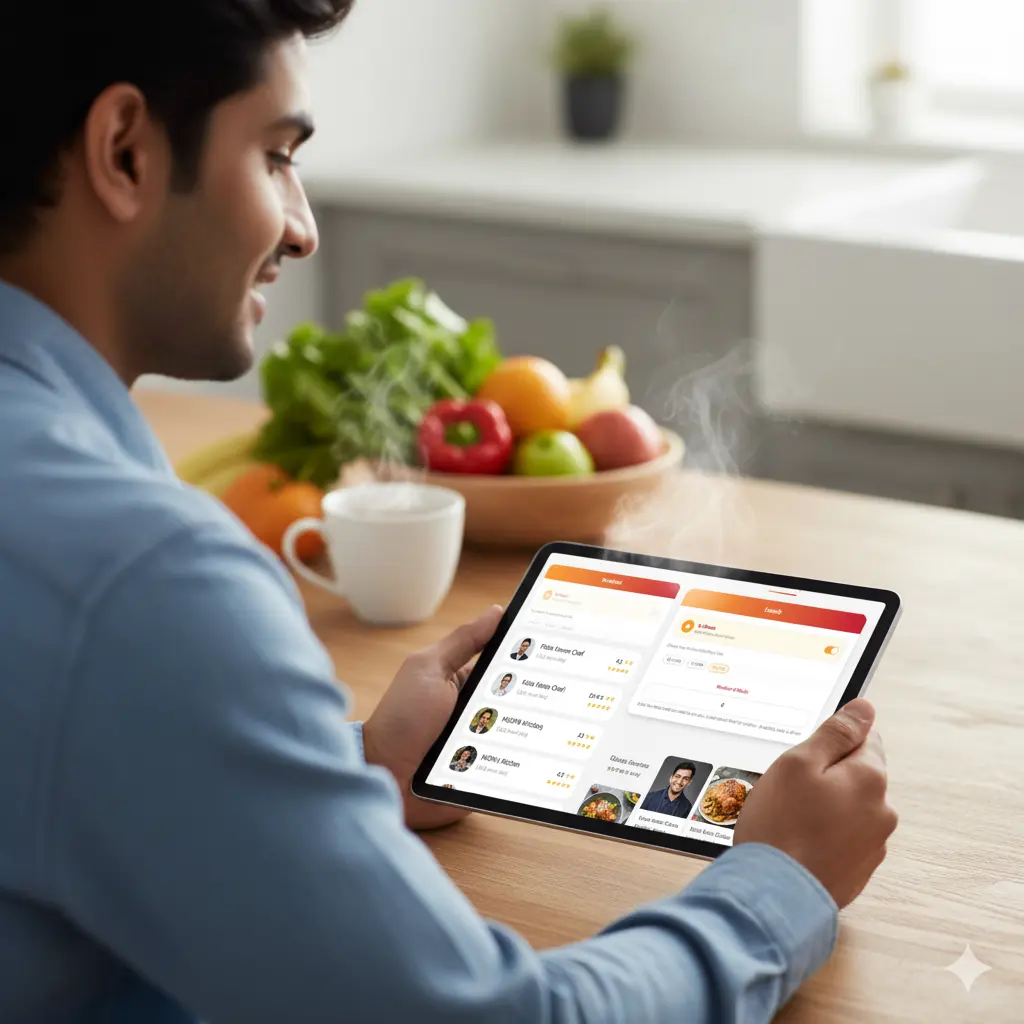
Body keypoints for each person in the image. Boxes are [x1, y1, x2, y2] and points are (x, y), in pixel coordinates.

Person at [0, 3, 898, 1022]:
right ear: (124, 151)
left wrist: (354, 770)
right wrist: (779, 883)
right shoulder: (145, 581)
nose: (301, 226)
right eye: (276, 154)